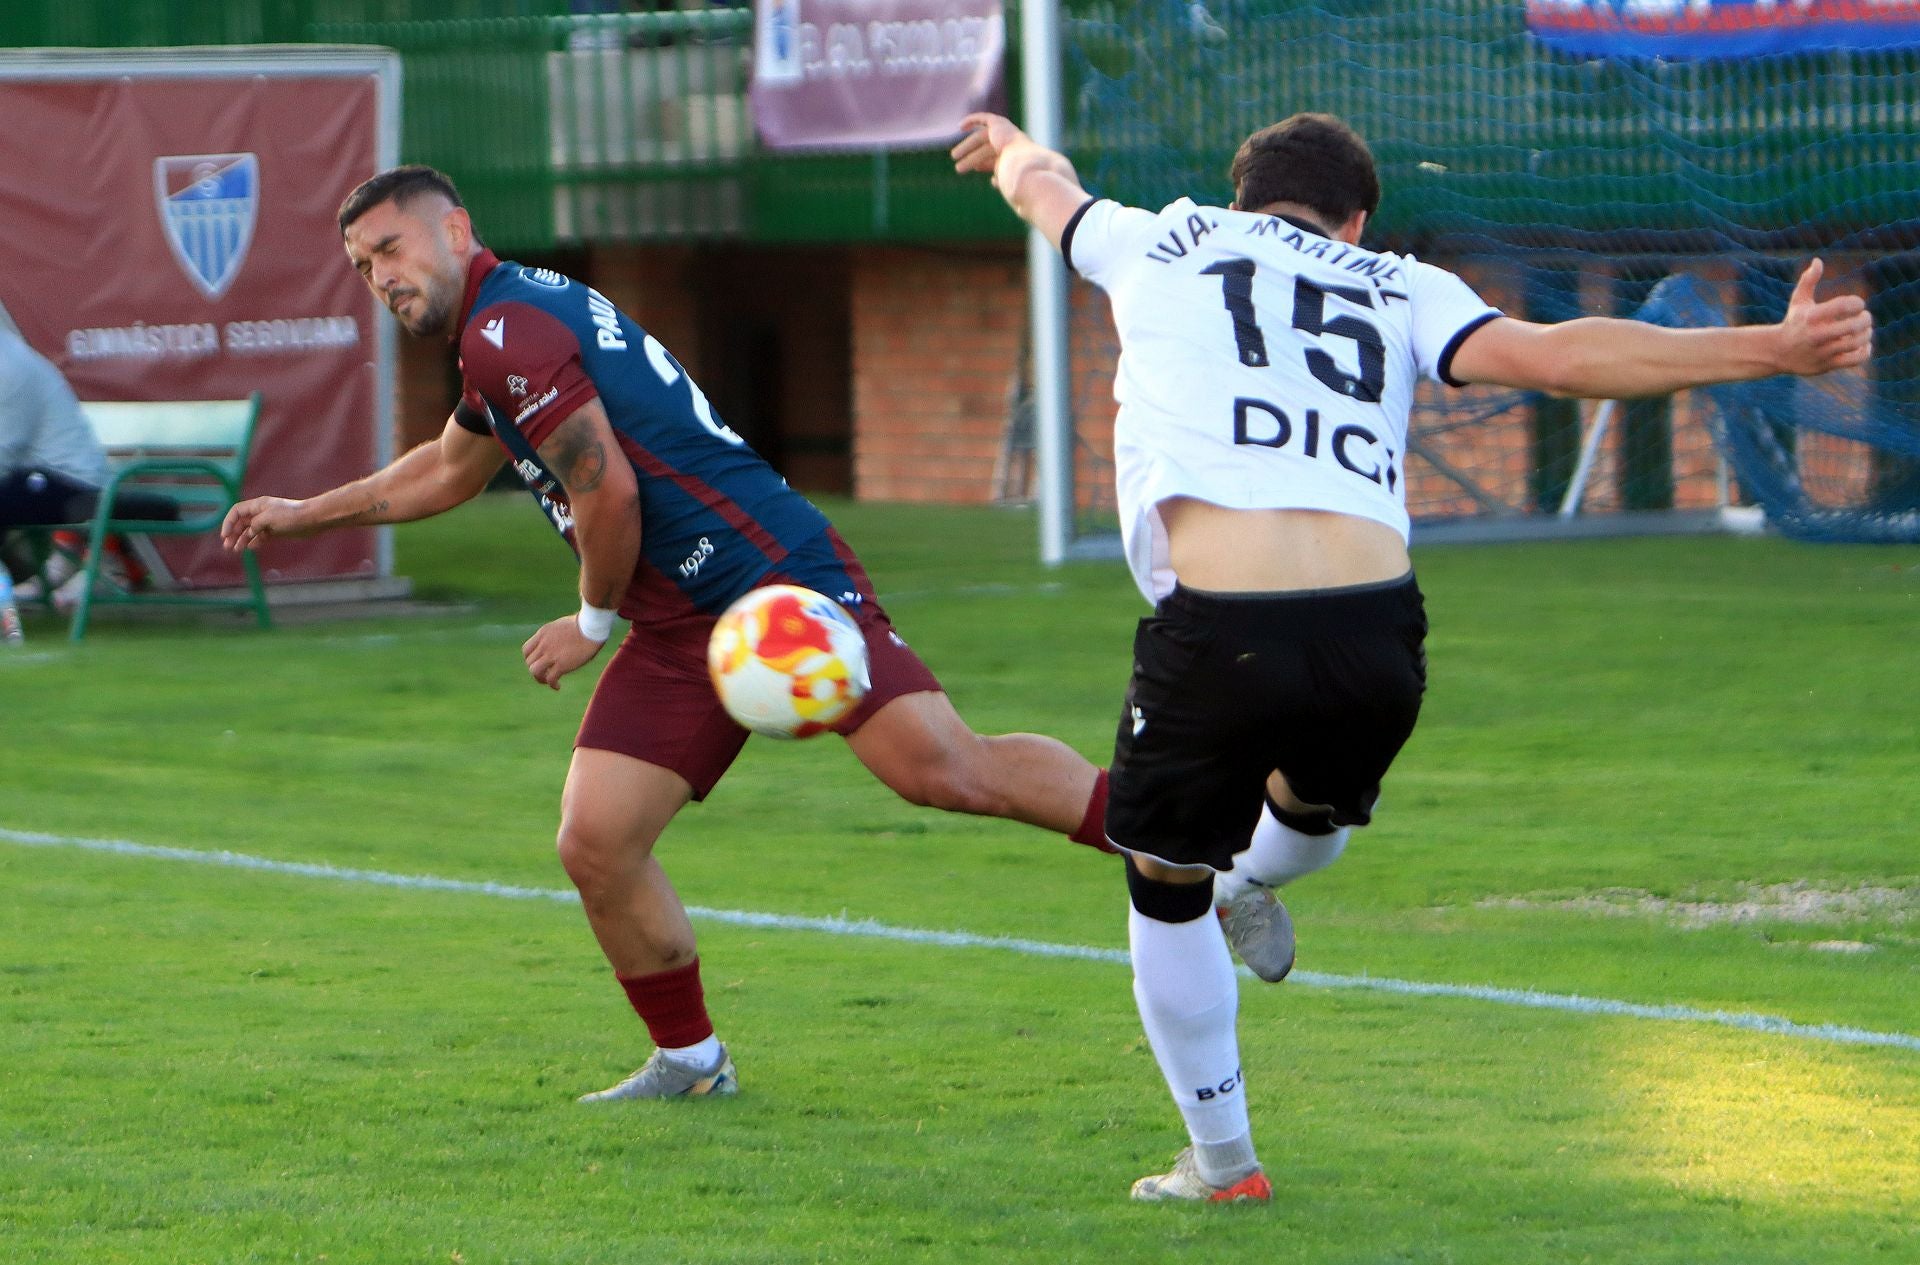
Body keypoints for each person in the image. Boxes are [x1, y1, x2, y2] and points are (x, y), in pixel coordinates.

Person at [952, 110, 1872, 1202]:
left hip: (1221, 624)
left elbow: (1046, 188)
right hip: (1374, 628)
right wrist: (1770, 345)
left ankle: (1226, 1162)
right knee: (1309, 812)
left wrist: (1008, 147)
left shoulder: (1162, 237)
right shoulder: (1398, 281)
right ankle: (1255, 880)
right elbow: (1560, 353)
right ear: (1357, 217)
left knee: (1161, 879)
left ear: (1238, 196)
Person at [220, 166, 1116, 1103]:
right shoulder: (502, 325)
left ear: (455, 233)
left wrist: (589, 620)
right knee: (596, 838)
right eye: (363, 267)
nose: (381, 276)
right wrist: (301, 513)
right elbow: (446, 471)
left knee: (942, 768)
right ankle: (691, 1061)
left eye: (391, 249)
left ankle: (1187, 857)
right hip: (681, 616)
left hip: (770, 575)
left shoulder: (505, 332)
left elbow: (606, 489)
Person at [0, 301, 113, 637]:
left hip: (71, 483)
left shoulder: (10, 367)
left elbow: (4, 451)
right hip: (29, 476)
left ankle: (4, 612)